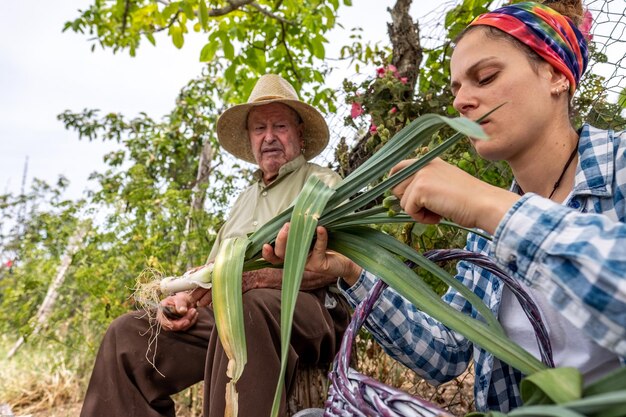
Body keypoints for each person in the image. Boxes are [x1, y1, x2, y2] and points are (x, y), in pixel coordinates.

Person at [263, 1, 625, 413]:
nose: (461, 102)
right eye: (455, 89)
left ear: (557, 74)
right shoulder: (485, 237)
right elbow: (445, 353)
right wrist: (352, 269)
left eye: (485, 77)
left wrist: (489, 205)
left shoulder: (618, 168)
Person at [80, 74, 350, 417]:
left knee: (246, 308)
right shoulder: (242, 202)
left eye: (279, 126)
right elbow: (211, 275)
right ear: (251, 140)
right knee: (128, 336)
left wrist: (258, 279)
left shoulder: (322, 183)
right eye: (259, 129)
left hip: (309, 310)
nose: (269, 137)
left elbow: (337, 266)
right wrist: (185, 300)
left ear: (298, 132)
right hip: (231, 308)